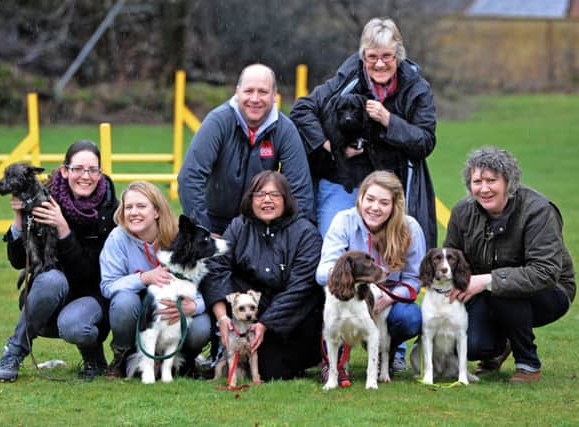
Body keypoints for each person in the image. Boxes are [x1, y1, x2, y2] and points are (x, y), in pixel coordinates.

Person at [290, 17, 437, 248]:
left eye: (387, 56)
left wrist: (389, 121)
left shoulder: (417, 88)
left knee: (387, 261)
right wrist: (330, 146)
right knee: (333, 253)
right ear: (363, 56)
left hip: (391, 185)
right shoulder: (346, 78)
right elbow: (302, 109)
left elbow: (425, 142)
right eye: (372, 57)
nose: (379, 64)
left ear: (398, 56)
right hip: (341, 180)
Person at [443, 147, 575, 384]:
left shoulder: (538, 211)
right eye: (477, 181)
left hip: (550, 291)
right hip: (485, 291)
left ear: (508, 182)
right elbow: (451, 259)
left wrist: (486, 280)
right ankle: (497, 348)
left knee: (504, 288)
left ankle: (528, 365)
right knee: (473, 346)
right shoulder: (462, 212)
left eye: (492, 180)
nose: (484, 188)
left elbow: (545, 271)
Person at [0, 140, 118, 382]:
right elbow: (19, 261)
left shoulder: (110, 210)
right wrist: (20, 218)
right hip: (49, 297)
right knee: (50, 280)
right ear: (64, 170)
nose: (85, 176)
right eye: (78, 168)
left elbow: (91, 272)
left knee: (75, 325)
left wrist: (62, 228)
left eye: (92, 170)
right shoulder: (42, 197)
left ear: (100, 173)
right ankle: (13, 352)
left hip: (91, 295)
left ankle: (93, 355)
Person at [200, 171, 324, 381]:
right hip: (247, 314)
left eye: (274, 195)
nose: (267, 200)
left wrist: (264, 324)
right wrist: (222, 317)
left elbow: (300, 288)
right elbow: (216, 268)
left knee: (272, 372)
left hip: (290, 319)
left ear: (286, 199)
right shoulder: (239, 226)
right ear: (250, 199)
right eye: (259, 194)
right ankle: (222, 351)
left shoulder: (306, 233)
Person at [179, 63, 314, 235]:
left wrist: (290, 238)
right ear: (237, 91)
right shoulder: (217, 122)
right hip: (213, 221)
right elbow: (190, 177)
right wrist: (203, 233)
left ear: (274, 95)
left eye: (263, 92)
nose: (255, 99)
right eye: (249, 91)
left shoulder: (285, 130)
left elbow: (300, 191)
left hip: (259, 225)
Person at [316, 170, 425, 385]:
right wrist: (344, 278)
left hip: (387, 299)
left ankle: (389, 351)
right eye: (370, 199)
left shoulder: (410, 227)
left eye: (384, 202)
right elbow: (322, 271)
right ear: (360, 198)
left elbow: (414, 278)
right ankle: (332, 363)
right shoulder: (343, 220)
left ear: (395, 205)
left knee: (410, 318)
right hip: (350, 295)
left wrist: (389, 298)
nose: (375, 208)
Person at [99, 181, 210, 378]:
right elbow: (108, 286)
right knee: (124, 302)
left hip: (172, 310)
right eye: (128, 207)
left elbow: (201, 285)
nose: (134, 212)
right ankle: (122, 356)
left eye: (141, 206)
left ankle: (186, 361)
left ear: (157, 211)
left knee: (201, 327)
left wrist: (194, 306)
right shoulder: (117, 238)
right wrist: (144, 278)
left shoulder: (179, 238)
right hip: (139, 309)